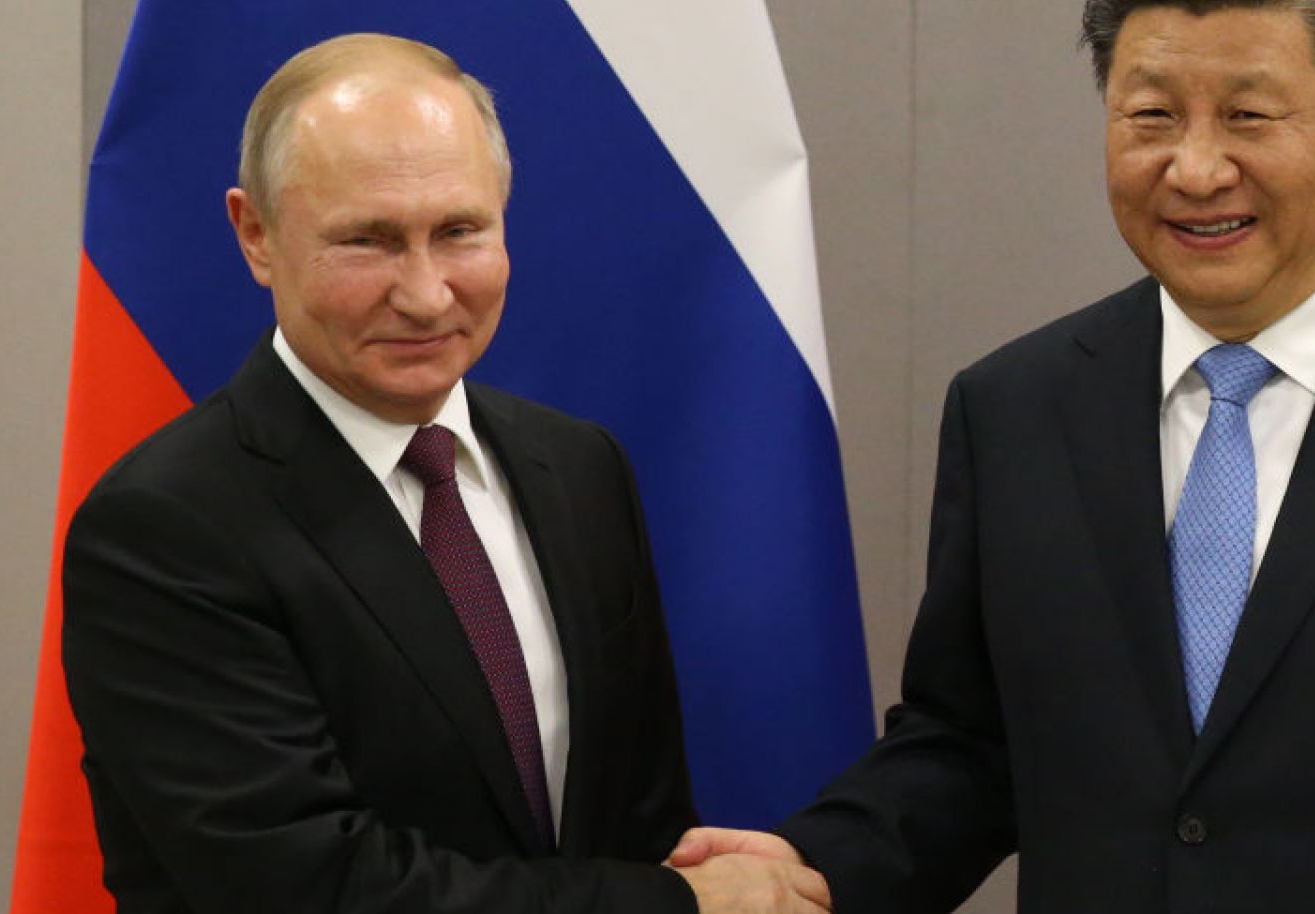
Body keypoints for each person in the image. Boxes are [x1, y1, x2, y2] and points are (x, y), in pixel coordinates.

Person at [669, 1, 1315, 911]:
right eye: (1151, 116)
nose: (1195, 166)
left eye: (1249, 116)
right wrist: (816, 865)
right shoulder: (1015, 409)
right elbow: (973, 742)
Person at [62, 33, 828, 914]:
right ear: (256, 235)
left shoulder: (579, 469)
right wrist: (685, 906)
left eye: (459, 231)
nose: (426, 294)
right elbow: (308, 887)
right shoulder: (164, 528)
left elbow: (637, 818)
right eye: (369, 242)